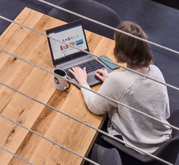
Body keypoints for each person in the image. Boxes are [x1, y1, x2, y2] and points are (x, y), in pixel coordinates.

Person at [69, 21, 172, 155]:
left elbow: (94, 107)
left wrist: (83, 82)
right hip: (162, 143)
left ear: (120, 50)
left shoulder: (118, 81)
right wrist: (111, 81)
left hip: (139, 149)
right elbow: (164, 112)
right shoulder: (155, 71)